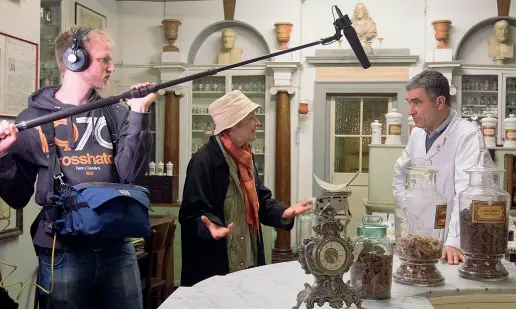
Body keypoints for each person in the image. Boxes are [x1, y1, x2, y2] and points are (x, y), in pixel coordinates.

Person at [0, 25, 157, 309]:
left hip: (117, 245)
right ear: (75, 60)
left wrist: (139, 113)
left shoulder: (117, 113)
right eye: (104, 59)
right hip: (63, 251)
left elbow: (130, 176)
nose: (111, 68)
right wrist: (2, 158)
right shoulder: (33, 119)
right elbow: (17, 196)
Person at [179, 90, 312, 287]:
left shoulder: (245, 158)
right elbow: (192, 214)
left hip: (248, 263)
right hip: (216, 269)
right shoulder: (203, 161)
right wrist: (210, 227)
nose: (257, 123)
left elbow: (262, 202)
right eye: (251, 118)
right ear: (233, 124)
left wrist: (285, 212)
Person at [392, 70, 480, 265]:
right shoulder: (417, 135)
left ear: (440, 102)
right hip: (417, 239)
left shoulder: (467, 134)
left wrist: (454, 241)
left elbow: (467, 192)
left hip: (450, 244)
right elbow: (400, 173)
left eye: (417, 102)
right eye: (409, 103)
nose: (410, 111)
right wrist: (405, 210)